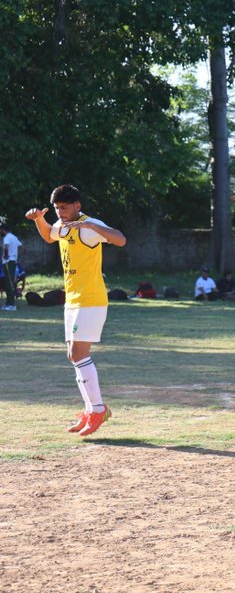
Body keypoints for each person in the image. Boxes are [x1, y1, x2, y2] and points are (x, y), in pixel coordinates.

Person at [25, 184, 127, 436]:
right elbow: (50, 235)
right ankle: (92, 408)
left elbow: (120, 239)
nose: (60, 212)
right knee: (73, 355)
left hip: (91, 299)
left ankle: (98, 409)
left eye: (64, 207)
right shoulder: (63, 224)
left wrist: (92, 226)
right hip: (72, 299)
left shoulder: (88, 225)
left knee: (78, 353)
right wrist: (40, 219)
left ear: (77, 206)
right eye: (57, 208)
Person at [1, 221, 21, 311]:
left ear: (2, 230)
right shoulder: (14, 237)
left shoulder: (7, 238)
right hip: (13, 262)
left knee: (9, 284)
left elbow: (5, 247)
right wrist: (16, 256)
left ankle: (12, 305)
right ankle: (8, 303)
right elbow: (22, 247)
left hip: (8, 262)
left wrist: (6, 256)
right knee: (9, 283)